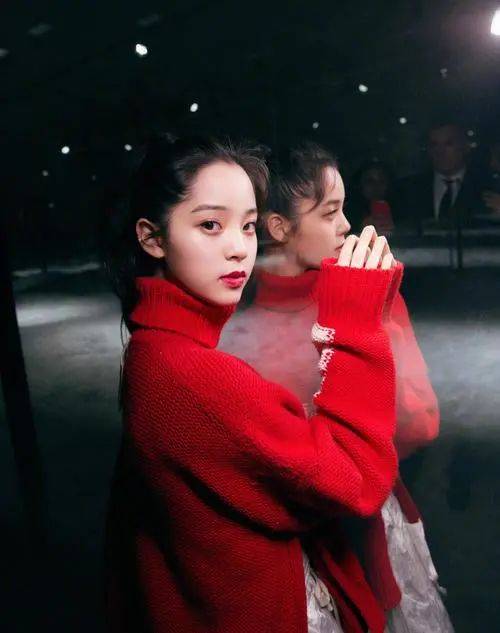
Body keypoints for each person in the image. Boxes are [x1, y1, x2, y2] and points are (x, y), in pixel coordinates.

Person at [104, 134, 402, 633]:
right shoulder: (187, 373)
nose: (238, 248)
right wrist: (354, 323)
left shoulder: (153, 348)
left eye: (246, 225)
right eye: (210, 225)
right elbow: (358, 480)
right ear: (153, 238)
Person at [220, 142, 454, 632]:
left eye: (344, 208)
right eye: (329, 213)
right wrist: (376, 316)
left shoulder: (235, 321)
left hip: (308, 540)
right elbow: (419, 424)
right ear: (278, 226)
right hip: (324, 544)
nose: (347, 225)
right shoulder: (346, 304)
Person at [398, 121, 483, 233]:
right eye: (434, 145)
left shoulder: (486, 187)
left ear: (465, 147)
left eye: (449, 144)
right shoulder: (408, 189)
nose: (440, 152)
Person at [348, 161, 396, 236]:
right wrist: (361, 229)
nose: (376, 186)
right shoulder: (349, 215)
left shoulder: (400, 210)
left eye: (381, 181)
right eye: (370, 181)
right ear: (360, 185)